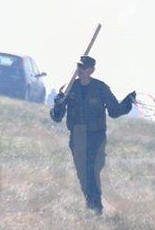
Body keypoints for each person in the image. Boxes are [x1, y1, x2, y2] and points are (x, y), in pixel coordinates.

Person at [49, 55, 135, 215]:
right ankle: (91, 203)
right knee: (83, 172)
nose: (80, 70)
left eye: (83, 68)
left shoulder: (101, 88)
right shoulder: (69, 88)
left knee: (92, 169)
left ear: (91, 70)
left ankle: (95, 206)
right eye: (78, 67)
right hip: (77, 136)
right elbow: (56, 117)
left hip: (96, 136)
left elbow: (114, 111)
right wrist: (58, 104)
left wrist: (128, 102)